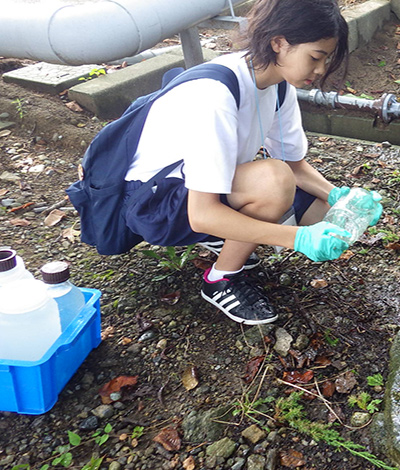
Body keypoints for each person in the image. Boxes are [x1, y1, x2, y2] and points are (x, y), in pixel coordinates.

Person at [122, 0, 381, 325]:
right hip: (156, 204)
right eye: (315, 57)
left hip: (202, 188)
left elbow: (295, 165)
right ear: (279, 43)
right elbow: (201, 214)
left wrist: (342, 199)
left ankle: (232, 235)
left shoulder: (278, 87)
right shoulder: (217, 94)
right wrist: (296, 239)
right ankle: (221, 279)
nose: (319, 70)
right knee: (273, 181)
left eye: (326, 59)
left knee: (325, 214)